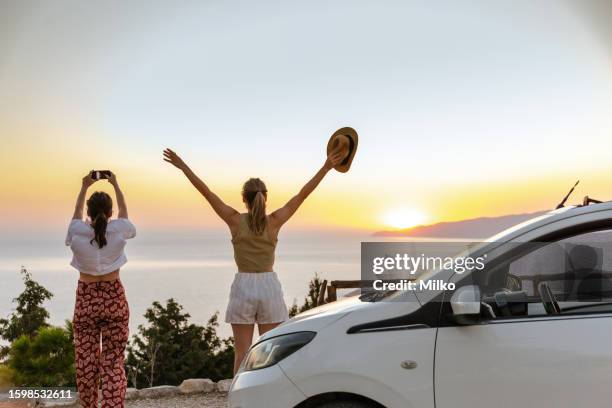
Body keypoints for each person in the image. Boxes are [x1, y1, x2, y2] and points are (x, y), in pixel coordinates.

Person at [163, 147, 345, 374]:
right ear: (265, 198)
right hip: (269, 287)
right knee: (272, 352)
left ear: (244, 199)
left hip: (243, 287)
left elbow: (206, 192)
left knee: (242, 353)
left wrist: (182, 166)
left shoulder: (234, 220)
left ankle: (239, 399)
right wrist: (326, 167)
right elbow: (302, 194)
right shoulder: (275, 221)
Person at [66, 172, 136, 408]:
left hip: (86, 298)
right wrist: (116, 183)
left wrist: (83, 187)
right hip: (113, 297)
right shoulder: (119, 229)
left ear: (88, 211)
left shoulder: (76, 231)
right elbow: (125, 216)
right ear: (110, 212)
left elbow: (75, 219)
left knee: (86, 362)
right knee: (113, 362)